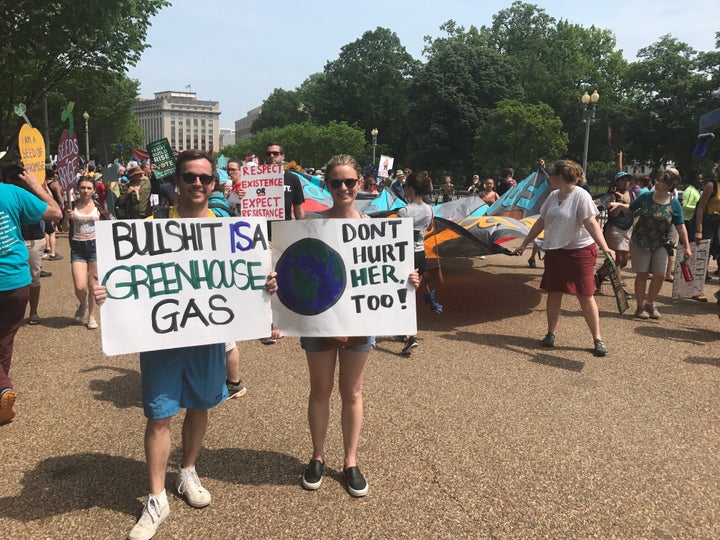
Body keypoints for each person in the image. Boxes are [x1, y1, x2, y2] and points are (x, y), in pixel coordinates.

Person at [93, 150, 277, 540]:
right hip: (160, 336)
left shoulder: (231, 228)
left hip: (208, 333)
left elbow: (248, 275)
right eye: (189, 177)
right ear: (176, 182)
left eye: (204, 179)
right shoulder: (151, 226)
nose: (197, 184)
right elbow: (123, 275)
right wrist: (105, 290)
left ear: (214, 185)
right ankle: (156, 497)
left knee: (200, 405)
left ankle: (188, 471)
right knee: (159, 415)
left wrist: (266, 285)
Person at [297, 154, 420, 498]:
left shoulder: (376, 229)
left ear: (360, 184)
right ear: (326, 185)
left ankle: (350, 461)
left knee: (352, 392)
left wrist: (409, 278)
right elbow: (297, 269)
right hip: (320, 321)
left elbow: (388, 273)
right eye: (335, 182)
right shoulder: (311, 223)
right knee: (320, 391)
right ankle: (318, 456)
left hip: (360, 319)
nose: (343, 188)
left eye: (349, 182)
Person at [513, 160, 614, 357]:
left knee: (585, 295)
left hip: (580, 252)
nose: (548, 177)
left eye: (551, 174)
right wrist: (525, 243)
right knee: (554, 292)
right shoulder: (552, 196)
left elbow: (591, 223)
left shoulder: (581, 195)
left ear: (560, 176)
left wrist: (605, 247)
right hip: (555, 251)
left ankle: (597, 338)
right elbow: (541, 222)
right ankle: (551, 334)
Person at [0, 167, 62, 424]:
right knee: (5, 338)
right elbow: (55, 213)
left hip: (14, 278)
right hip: (15, 280)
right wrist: (37, 186)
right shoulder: (12, 193)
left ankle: (3, 388)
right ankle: (3, 394)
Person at [609, 169, 691, 319]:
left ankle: (650, 303)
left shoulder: (674, 204)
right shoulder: (646, 196)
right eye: (657, 180)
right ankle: (640, 307)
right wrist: (620, 205)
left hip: (661, 242)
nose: (657, 183)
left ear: (669, 186)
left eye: (661, 181)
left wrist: (687, 245)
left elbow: (680, 226)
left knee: (660, 275)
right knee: (642, 274)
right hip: (641, 240)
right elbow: (631, 208)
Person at [397, 172, 433, 355]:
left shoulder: (404, 211)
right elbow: (430, 227)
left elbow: (398, 235)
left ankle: (410, 336)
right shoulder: (429, 209)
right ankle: (402, 331)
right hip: (420, 255)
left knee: (404, 298)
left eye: (405, 186)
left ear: (410, 188)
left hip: (405, 257)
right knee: (409, 296)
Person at [67, 176, 109, 330]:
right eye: (83, 187)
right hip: (78, 247)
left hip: (95, 247)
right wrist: (68, 218)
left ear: (93, 190)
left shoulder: (99, 205)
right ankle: (83, 304)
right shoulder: (72, 205)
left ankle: (91, 316)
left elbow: (108, 222)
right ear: (78, 189)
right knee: (79, 286)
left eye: (89, 188)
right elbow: (64, 228)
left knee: (93, 286)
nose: (85, 191)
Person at [603, 172, 634, 290]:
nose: (626, 182)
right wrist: (621, 202)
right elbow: (613, 213)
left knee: (624, 261)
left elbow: (633, 212)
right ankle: (619, 286)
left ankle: (600, 275)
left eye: (627, 180)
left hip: (628, 228)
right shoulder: (612, 196)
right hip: (615, 228)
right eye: (623, 180)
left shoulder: (632, 194)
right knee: (617, 259)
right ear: (616, 182)